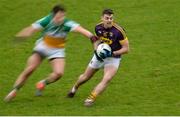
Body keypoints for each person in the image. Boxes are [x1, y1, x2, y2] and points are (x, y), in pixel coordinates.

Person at [4, 4, 98, 102]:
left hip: (57, 50)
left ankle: (42, 83)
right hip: (43, 46)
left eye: (63, 16)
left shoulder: (67, 23)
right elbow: (31, 29)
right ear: (53, 15)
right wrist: (19, 38)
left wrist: (94, 40)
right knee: (30, 69)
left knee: (59, 73)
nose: (61, 19)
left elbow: (84, 32)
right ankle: (14, 90)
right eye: (59, 16)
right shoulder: (46, 20)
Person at [67, 9, 129, 107]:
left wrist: (112, 53)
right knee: (85, 77)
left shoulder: (119, 31)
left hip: (113, 57)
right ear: (102, 18)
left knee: (107, 79)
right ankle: (75, 87)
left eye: (111, 18)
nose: (109, 20)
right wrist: (96, 51)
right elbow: (96, 41)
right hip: (99, 55)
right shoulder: (98, 27)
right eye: (107, 18)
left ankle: (91, 98)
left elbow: (126, 49)